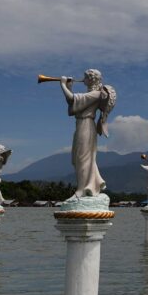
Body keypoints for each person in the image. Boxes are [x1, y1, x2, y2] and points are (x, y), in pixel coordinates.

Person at [60, 69, 116, 198]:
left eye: (85, 77)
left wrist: (63, 85)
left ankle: (82, 190)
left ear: (91, 79)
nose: (83, 79)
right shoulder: (91, 94)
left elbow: (72, 99)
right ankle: (88, 186)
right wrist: (69, 87)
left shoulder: (96, 94)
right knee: (77, 158)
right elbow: (73, 105)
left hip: (86, 125)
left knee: (82, 158)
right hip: (81, 124)